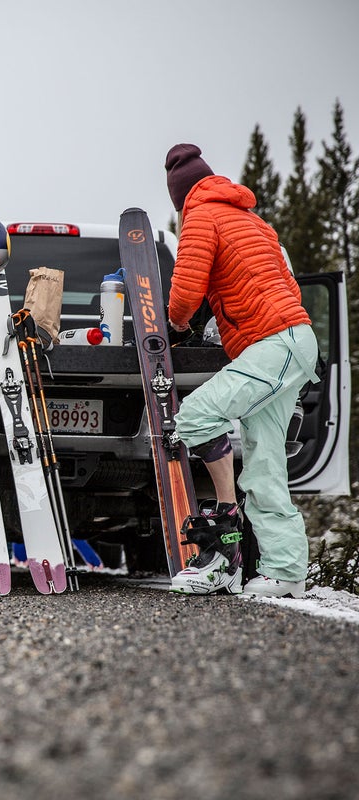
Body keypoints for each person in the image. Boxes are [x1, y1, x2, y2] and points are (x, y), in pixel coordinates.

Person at [163, 143, 320, 599]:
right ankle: (284, 572)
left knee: (194, 417)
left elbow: (187, 289)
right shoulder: (255, 222)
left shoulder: (201, 215)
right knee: (265, 466)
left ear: (180, 196)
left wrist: (176, 323)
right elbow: (286, 283)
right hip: (292, 340)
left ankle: (226, 527)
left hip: (272, 345)